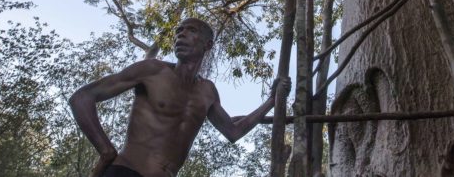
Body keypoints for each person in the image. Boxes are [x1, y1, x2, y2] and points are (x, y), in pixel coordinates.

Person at [69, 18, 291, 177]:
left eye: (190, 30)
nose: (180, 35)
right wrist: (106, 151)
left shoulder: (207, 91)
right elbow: (82, 98)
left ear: (208, 45)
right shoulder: (152, 71)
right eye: (179, 31)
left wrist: (272, 100)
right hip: (127, 171)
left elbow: (233, 131)